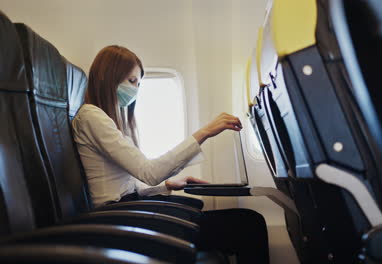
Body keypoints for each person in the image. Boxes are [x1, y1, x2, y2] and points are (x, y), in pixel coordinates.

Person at [72, 45, 269, 263]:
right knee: (249, 225)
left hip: (128, 211)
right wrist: (204, 132)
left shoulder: (104, 119)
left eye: (138, 83)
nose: (136, 89)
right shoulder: (92, 117)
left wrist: (166, 186)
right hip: (117, 221)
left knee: (242, 221)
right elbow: (148, 172)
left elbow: (127, 184)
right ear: (108, 77)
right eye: (131, 81)